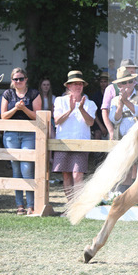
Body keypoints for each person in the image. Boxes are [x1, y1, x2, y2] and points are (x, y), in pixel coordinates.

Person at [1, 68, 41, 215]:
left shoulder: (34, 94)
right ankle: (19, 205)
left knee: (27, 168)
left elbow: (37, 116)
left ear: (26, 79)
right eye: (15, 79)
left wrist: (23, 109)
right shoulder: (7, 94)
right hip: (11, 135)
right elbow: (3, 116)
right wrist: (16, 109)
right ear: (12, 81)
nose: (18, 81)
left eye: (21, 78)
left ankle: (31, 205)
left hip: (29, 135)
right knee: (16, 169)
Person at [52, 71, 97, 199]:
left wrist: (81, 109)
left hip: (81, 143)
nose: (78, 86)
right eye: (75, 84)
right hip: (63, 143)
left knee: (77, 175)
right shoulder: (60, 101)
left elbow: (90, 122)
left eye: (80, 84)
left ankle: (77, 206)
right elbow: (57, 120)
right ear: (68, 86)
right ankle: (70, 206)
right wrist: (70, 110)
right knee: (66, 175)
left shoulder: (89, 103)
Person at [109, 67, 138, 192]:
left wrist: (126, 101)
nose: (128, 85)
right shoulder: (115, 100)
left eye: (130, 81)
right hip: (121, 139)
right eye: (124, 83)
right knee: (124, 168)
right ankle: (123, 194)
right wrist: (121, 104)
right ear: (119, 85)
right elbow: (114, 119)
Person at [101, 59, 138, 140]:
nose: (133, 73)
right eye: (130, 71)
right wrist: (111, 131)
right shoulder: (111, 88)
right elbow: (105, 111)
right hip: (117, 132)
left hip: (136, 133)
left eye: (133, 71)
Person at [90, 72, 108, 140]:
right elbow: (94, 113)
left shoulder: (113, 95)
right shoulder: (95, 96)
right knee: (97, 134)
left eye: (105, 81)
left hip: (111, 122)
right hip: (98, 122)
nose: (103, 84)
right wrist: (101, 127)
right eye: (101, 82)